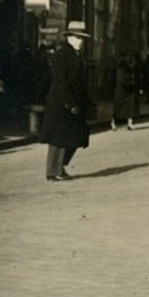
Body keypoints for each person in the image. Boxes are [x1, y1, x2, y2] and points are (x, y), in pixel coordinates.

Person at [40, 21, 94, 181]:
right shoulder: (61, 55)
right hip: (61, 104)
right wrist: (69, 103)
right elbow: (60, 82)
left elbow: (81, 84)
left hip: (74, 104)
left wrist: (87, 103)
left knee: (76, 137)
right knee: (59, 139)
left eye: (82, 38)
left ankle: (59, 168)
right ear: (69, 38)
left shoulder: (77, 56)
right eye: (78, 37)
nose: (81, 41)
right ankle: (53, 171)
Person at [112, 52, 140, 131]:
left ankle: (130, 123)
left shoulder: (129, 69)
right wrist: (131, 83)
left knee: (131, 108)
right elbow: (121, 80)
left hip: (129, 91)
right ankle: (114, 122)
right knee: (119, 109)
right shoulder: (121, 69)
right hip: (122, 92)